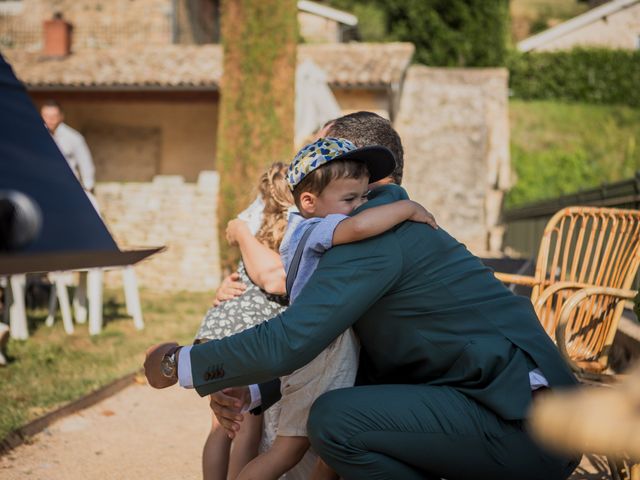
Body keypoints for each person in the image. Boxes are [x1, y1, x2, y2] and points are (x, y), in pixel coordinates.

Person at [144, 111, 580, 479]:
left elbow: (293, 339)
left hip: (528, 422)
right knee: (344, 413)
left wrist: (177, 363)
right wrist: (252, 392)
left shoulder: (370, 236)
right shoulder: (376, 224)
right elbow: (341, 354)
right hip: (520, 413)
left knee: (337, 420)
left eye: (321, 155)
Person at [234, 137, 433, 480]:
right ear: (309, 201)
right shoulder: (311, 228)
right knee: (287, 451)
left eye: (364, 197)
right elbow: (357, 227)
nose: (359, 206)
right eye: (350, 198)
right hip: (323, 350)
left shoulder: (312, 222)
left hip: (327, 347)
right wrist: (409, 209)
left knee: (328, 449)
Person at [196, 162, 293, 480]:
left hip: (217, 330)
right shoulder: (290, 237)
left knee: (220, 425)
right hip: (249, 336)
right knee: (247, 419)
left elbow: (233, 227)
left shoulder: (253, 229)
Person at [41, 100, 95, 194]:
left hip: (68, 188)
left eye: (53, 116)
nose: (50, 120)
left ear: (61, 116)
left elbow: (85, 163)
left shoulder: (74, 138)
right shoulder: (35, 136)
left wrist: (88, 187)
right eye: (46, 116)